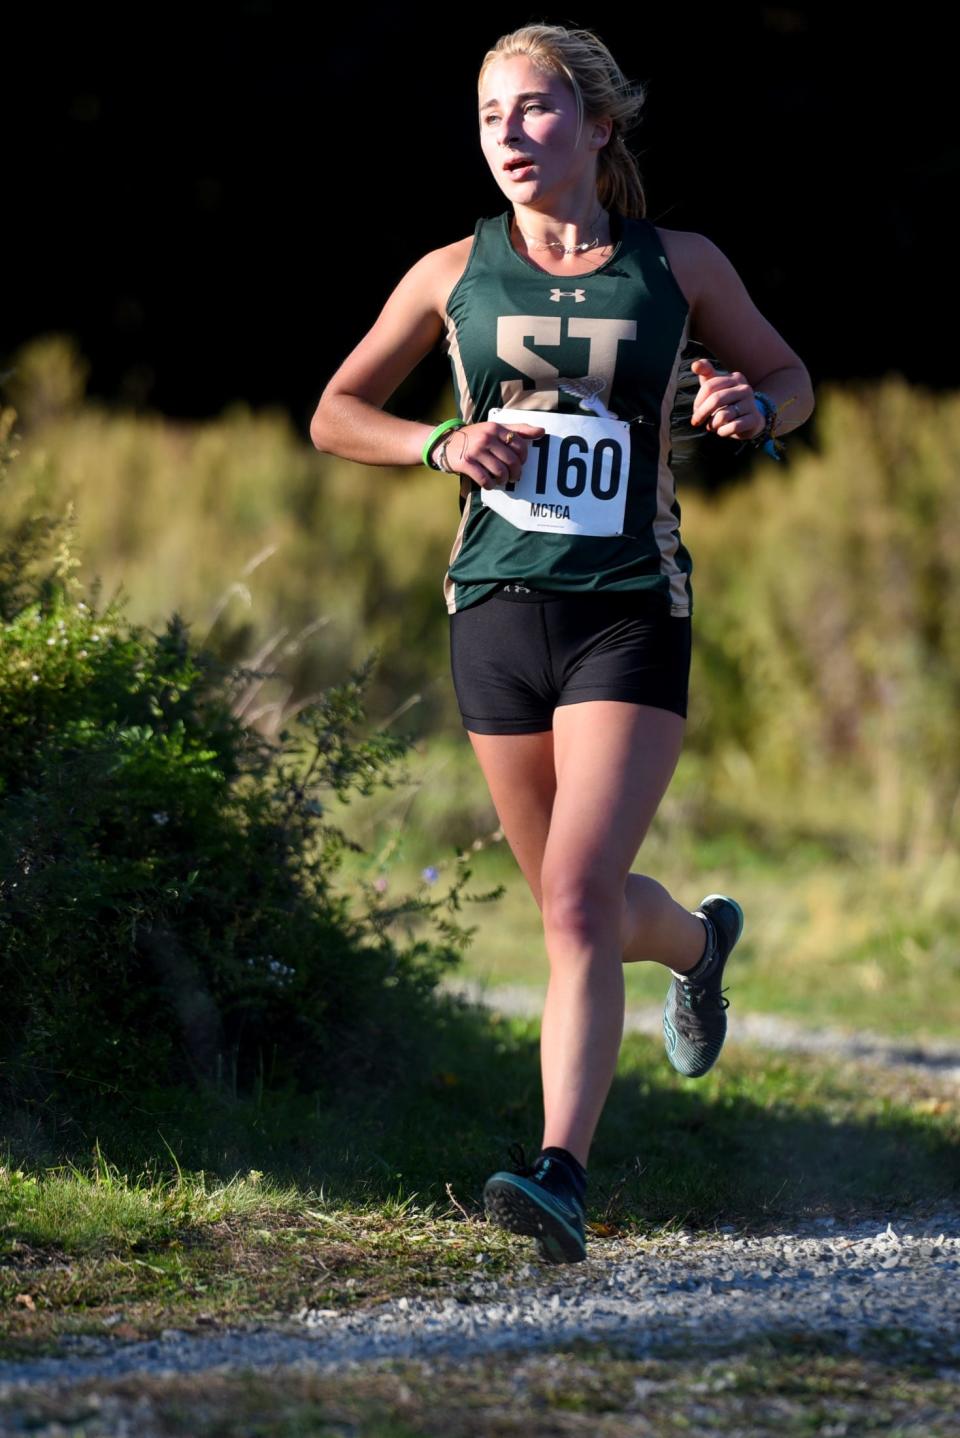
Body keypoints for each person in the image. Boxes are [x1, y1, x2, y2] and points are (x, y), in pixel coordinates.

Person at [310, 22, 814, 1265]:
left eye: (536, 112)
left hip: (629, 608)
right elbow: (334, 412)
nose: (512, 138)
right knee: (566, 907)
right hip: (493, 609)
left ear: (598, 126)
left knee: (580, 898)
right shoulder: (450, 273)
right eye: (491, 117)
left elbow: (790, 377)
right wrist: (438, 443)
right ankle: (699, 945)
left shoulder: (679, 264)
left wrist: (752, 406)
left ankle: (559, 1175)